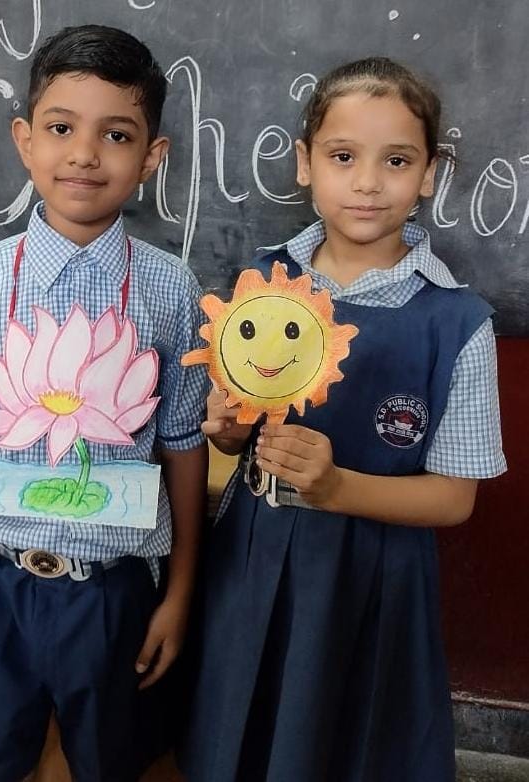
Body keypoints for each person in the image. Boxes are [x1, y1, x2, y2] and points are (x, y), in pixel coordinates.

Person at [181, 57, 506, 782]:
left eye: (397, 161)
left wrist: (338, 489)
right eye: (342, 157)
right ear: (305, 164)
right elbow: (238, 432)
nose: (367, 183)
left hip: (374, 577)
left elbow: (454, 497)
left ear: (429, 174)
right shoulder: (262, 283)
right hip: (256, 553)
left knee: (345, 743)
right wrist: (228, 428)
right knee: (240, 734)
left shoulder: (458, 323)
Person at [0, 24, 208, 782]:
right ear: (24, 140)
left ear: (151, 156)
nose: (84, 154)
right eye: (60, 128)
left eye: (116, 135)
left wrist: (179, 596)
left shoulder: (170, 290)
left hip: (115, 593)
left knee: (109, 760)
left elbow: (183, 447)